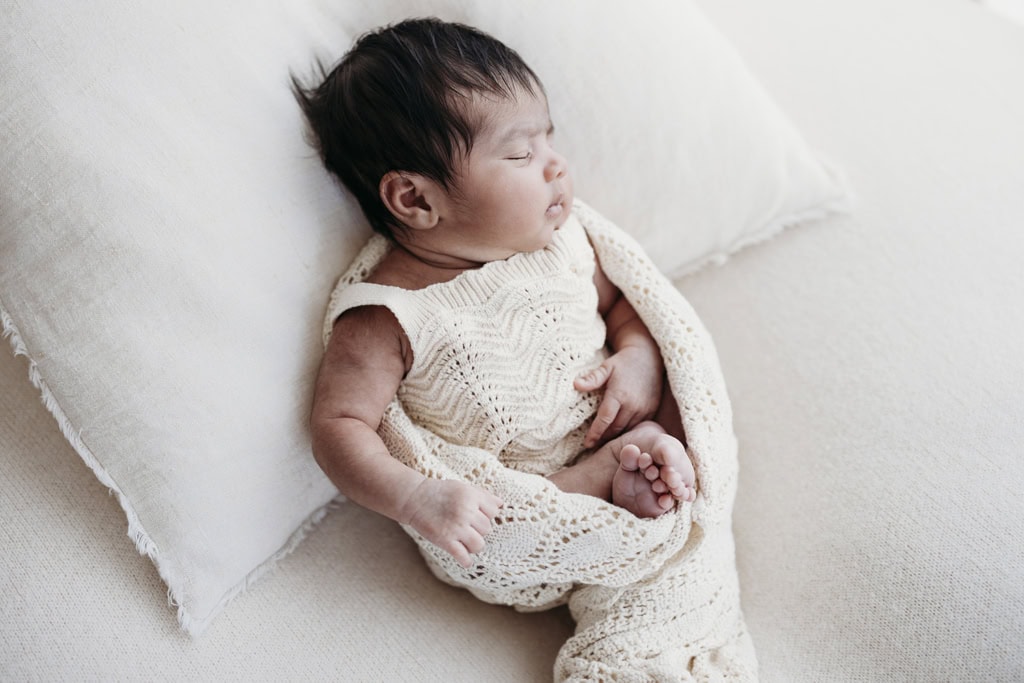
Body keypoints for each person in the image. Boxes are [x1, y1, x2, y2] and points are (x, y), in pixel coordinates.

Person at [297, 17, 695, 570]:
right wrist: (417, 497)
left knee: (675, 433)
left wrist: (640, 357)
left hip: (614, 424)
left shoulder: (558, 246)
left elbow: (623, 304)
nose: (556, 164)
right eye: (519, 154)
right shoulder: (387, 317)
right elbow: (339, 427)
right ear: (414, 199)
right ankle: (603, 491)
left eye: (548, 139)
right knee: (517, 519)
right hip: (513, 501)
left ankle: (628, 483)